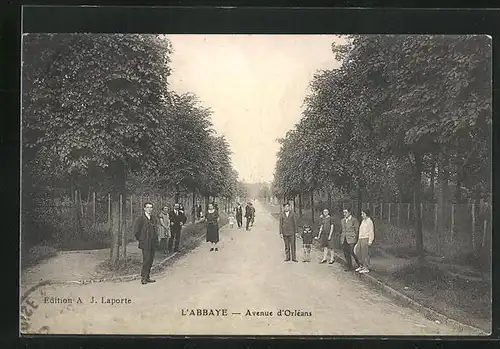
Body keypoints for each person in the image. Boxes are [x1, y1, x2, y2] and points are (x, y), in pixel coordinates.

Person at [132, 202, 158, 285]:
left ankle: (147, 277)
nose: (149, 209)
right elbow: (136, 230)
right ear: (144, 208)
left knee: (151, 260)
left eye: (151, 207)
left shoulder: (153, 218)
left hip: (152, 242)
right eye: (148, 207)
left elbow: (155, 230)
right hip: (145, 242)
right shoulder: (140, 218)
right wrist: (140, 239)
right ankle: (143, 278)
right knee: (146, 260)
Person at [340, 207, 361, 271]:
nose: (344, 214)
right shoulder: (342, 220)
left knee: (353, 252)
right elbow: (342, 229)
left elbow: (357, 230)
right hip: (344, 238)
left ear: (349, 212)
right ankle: (349, 266)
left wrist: (355, 238)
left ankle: (360, 264)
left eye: (346, 212)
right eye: (343, 212)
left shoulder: (354, 220)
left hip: (351, 239)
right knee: (346, 253)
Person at [355, 209, 375, 273]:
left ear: (366, 214)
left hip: (366, 238)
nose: (362, 215)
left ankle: (366, 267)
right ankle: (361, 265)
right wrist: (359, 239)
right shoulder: (363, 221)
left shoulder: (369, 221)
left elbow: (371, 232)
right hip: (361, 238)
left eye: (363, 214)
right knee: (357, 251)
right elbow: (360, 231)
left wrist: (370, 241)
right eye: (361, 214)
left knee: (365, 253)